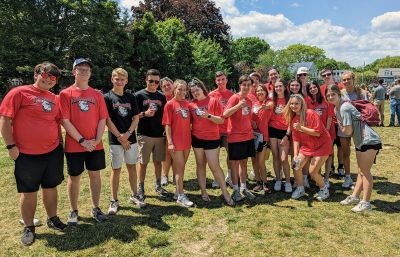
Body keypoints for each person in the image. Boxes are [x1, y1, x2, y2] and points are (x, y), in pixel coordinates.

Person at [0, 62, 67, 245]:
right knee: (29, 191)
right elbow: (5, 119)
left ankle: (52, 219)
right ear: (36, 74)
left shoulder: (55, 98)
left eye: (53, 78)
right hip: (26, 154)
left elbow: (58, 122)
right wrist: (10, 146)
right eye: (45, 76)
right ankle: (29, 226)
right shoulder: (19, 92)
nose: (49, 80)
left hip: (53, 151)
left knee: (51, 187)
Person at [60, 58, 109, 224]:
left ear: (90, 73)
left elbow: (103, 119)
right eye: (80, 69)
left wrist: (96, 140)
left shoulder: (97, 95)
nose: (84, 72)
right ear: (74, 72)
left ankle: (96, 207)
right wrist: (82, 141)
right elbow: (65, 120)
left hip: (95, 145)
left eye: (87, 69)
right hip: (75, 145)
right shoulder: (66, 94)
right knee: (74, 177)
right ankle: (73, 211)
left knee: (95, 176)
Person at [326, 84, 382, 212]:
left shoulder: (344, 108)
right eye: (328, 95)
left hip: (368, 140)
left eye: (333, 94)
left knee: (366, 172)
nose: (330, 97)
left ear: (339, 95)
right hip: (360, 140)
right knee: (361, 171)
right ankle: (355, 196)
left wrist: (342, 127)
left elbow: (347, 131)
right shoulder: (337, 108)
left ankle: (366, 203)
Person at [188, 78, 235, 206]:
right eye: (192, 92)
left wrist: (208, 116)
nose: (195, 93)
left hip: (212, 139)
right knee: (200, 164)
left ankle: (225, 193)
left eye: (197, 90)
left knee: (214, 166)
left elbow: (221, 120)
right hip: (197, 139)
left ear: (202, 89)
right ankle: (203, 192)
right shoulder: (191, 104)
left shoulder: (213, 101)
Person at [104, 68, 143, 214]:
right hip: (115, 140)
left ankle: (134, 195)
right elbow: (107, 120)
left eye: (122, 79)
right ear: (112, 79)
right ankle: (114, 200)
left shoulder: (130, 97)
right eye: (116, 78)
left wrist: (127, 135)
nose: (119, 81)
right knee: (116, 169)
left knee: (132, 167)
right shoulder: (107, 97)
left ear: (126, 81)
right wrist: (121, 137)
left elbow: (136, 117)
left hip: (131, 139)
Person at [284, 94, 332, 201]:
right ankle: (301, 189)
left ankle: (324, 190)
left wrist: (301, 128)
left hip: (322, 145)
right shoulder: (294, 119)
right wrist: (295, 155)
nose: (293, 106)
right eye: (291, 103)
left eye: (296, 103)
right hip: (307, 146)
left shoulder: (310, 113)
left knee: (313, 172)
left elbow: (317, 133)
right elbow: (296, 139)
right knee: (296, 165)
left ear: (302, 104)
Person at [135, 69, 168, 200]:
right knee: (143, 162)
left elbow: (165, 117)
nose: (153, 84)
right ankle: (140, 187)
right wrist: (144, 114)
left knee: (158, 162)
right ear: (146, 80)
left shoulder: (161, 97)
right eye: (151, 81)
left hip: (159, 135)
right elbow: (133, 116)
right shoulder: (138, 95)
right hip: (144, 134)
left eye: (156, 81)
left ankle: (158, 185)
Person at [223, 75, 256, 201]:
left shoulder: (250, 100)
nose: (246, 87)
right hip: (235, 136)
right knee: (235, 164)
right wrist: (238, 106)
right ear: (240, 85)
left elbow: (247, 116)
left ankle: (244, 188)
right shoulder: (234, 98)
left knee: (244, 163)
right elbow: (225, 114)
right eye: (244, 85)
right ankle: (235, 190)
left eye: (249, 85)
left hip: (248, 136)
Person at [162, 79, 193, 207]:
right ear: (174, 89)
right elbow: (167, 125)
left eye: (184, 89)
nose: (182, 92)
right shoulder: (169, 104)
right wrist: (170, 142)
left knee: (181, 168)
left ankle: (177, 192)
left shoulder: (188, 104)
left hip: (187, 141)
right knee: (179, 168)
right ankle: (181, 196)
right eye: (179, 89)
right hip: (175, 142)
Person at [338, 71, 369, 189]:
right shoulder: (341, 94)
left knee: (360, 153)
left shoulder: (361, 93)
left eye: (348, 79)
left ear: (353, 79)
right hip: (344, 126)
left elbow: (367, 109)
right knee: (345, 153)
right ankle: (347, 176)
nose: (346, 81)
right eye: (344, 80)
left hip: (358, 127)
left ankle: (361, 177)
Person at [307, 81, 335, 188]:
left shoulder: (326, 100)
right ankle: (316, 176)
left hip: (327, 132)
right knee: (315, 155)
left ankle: (326, 178)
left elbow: (330, 116)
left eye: (314, 87)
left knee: (328, 155)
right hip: (315, 133)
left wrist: (326, 131)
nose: (313, 89)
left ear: (318, 88)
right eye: (310, 88)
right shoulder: (309, 101)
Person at [209, 71, 234, 188]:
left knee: (231, 154)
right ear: (215, 81)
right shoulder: (211, 95)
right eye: (218, 80)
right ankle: (216, 178)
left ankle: (229, 176)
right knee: (215, 155)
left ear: (227, 80)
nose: (221, 82)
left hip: (228, 130)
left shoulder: (232, 95)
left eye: (223, 79)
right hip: (215, 130)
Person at [319, 68, 344, 177]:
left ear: (332, 75)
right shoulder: (321, 89)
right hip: (329, 122)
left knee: (341, 146)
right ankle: (331, 167)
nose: (326, 77)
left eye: (328, 74)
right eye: (324, 75)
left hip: (341, 121)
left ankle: (341, 166)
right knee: (330, 147)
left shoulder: (341, 87)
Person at [269, 79, 292, 192]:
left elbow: (292, 120)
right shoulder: (272, 99)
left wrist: (287, 135)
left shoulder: (289, 100)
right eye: (276, 87)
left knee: (283, 159)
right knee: (275, 156)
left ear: (285, 87)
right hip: (273, 130)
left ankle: (287, 181)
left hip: (284, 132)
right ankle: (278, 179)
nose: (278, 88)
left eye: (280, 86)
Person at [251, 84, 273, 193]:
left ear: (266, 92)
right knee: (254, 160)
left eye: (262, 90)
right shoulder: (254, 104)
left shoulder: (268, 102)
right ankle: (258, 182)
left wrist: (265, 106)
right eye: (258, 91)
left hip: (263, 137)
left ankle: (265, 183)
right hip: (252, 135)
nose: (260, 92)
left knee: (260, 161)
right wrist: (252, 122)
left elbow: (271, 105)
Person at [159, 77, 174, 186]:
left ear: (173, 85)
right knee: (166, 155)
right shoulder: (160, 99)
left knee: (177, 154)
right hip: (164, 131)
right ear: (161, 89)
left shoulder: (179, 97)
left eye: (169, 84)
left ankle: (175, 175)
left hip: (178, 130)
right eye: (164, 86)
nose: (167, 87)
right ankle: (165, 175)